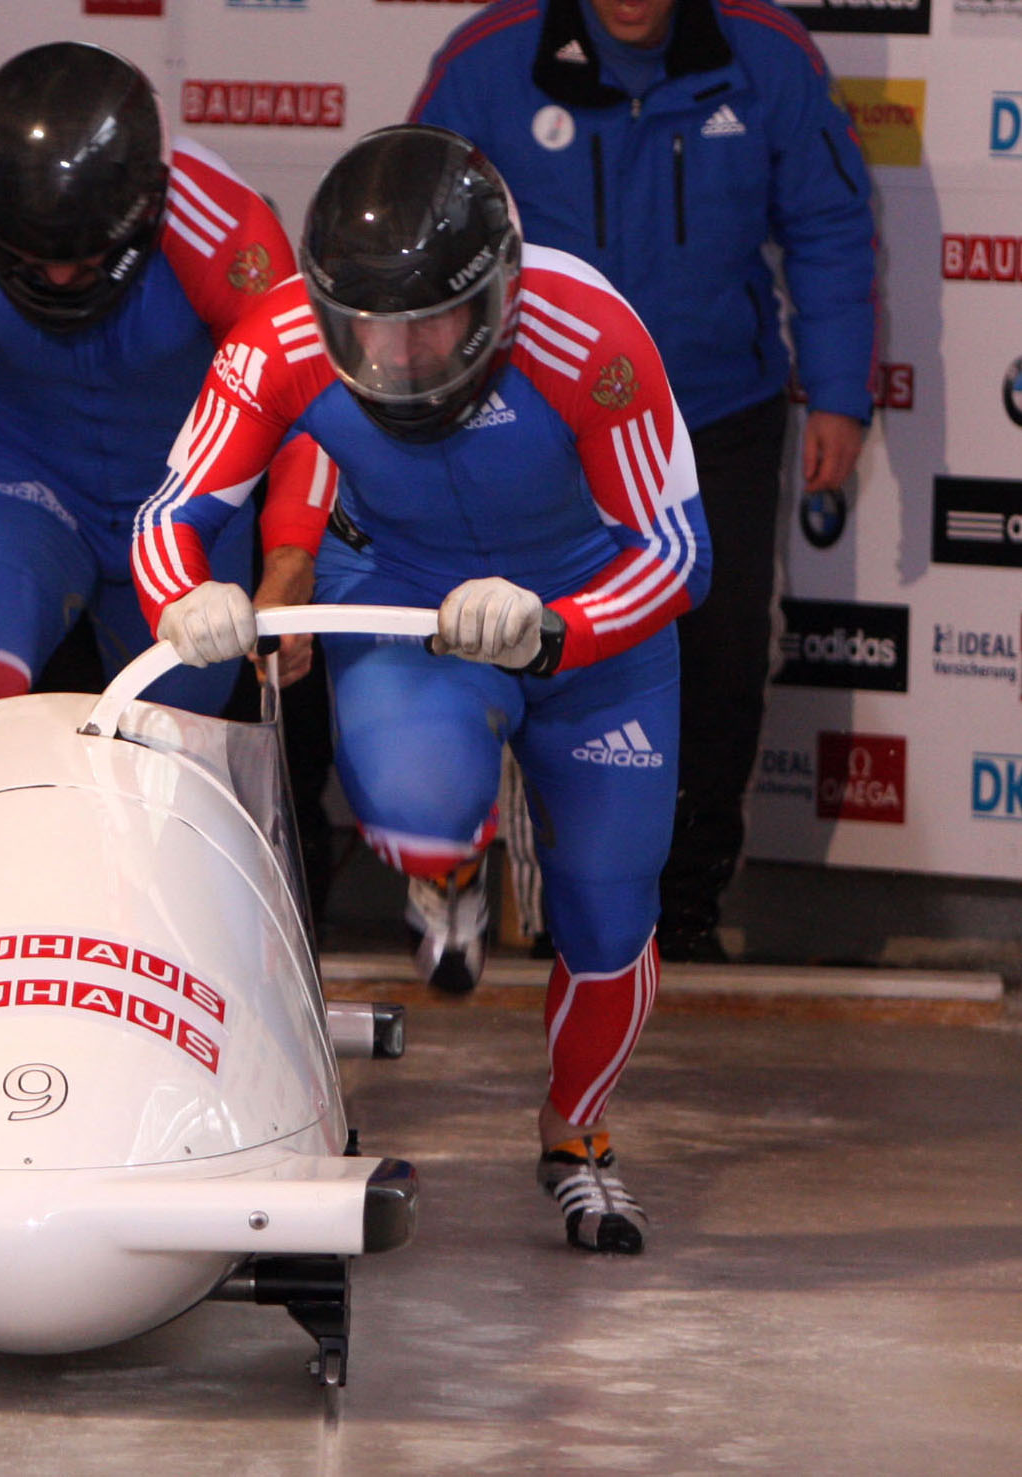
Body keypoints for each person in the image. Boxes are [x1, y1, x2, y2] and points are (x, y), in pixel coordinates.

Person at [135, 124, 710, 1252]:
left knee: (609, 901)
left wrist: (559, 627)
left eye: (431, 324)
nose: (397, 357)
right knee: (418, 797)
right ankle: (446, 868)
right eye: (368, 328)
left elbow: (677, 552)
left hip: (585, 606)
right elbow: (173, 511)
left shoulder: (588, 337)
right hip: (404, 594)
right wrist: (182, 597)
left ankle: (578, 1135)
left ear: (496, 299)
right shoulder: (277, 343)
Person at [411, 0, 877, 963]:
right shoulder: (487, 63)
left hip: (717, 421)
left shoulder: (768, 57)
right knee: (547, 653)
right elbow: (418, 239)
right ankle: (570, 918)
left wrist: (840, 392)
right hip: (550, 430)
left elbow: (831, 226)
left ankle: (688, 914)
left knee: (720, 665)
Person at [0, 41, 298, 716]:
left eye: (85, 259)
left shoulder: (225, 224)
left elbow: (299, 416)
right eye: (32, 257)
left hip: (186, 506)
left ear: (145, 209)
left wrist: (288, 578)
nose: (58, 277)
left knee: (174, 741)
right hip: (22, 486)